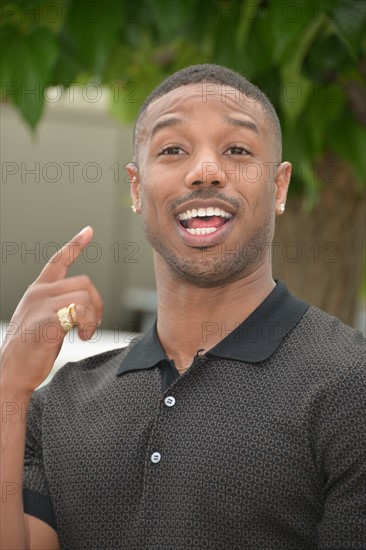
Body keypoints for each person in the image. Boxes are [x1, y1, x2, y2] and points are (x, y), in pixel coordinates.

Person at [1, 64, 365, 550]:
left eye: (237, 149)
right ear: (136, 188)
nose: (205, 171)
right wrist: (11, 386)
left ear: (278, 188)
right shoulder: (60, 405)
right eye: (173, 150)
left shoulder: (351, 385)